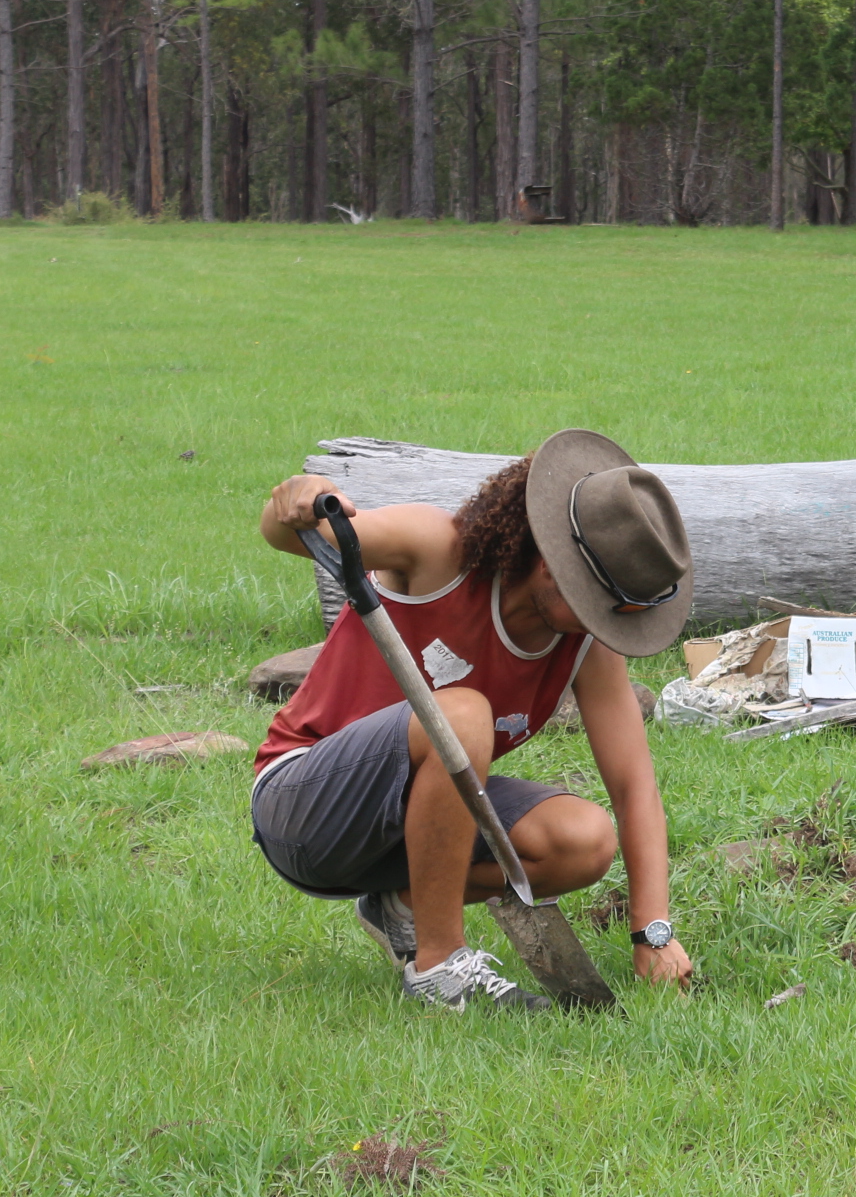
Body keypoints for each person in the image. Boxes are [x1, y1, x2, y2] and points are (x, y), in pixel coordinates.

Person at [251, 429, 695, 1010]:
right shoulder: (437, 551)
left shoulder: (587, 642)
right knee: (462, 715)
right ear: (551, 560)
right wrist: (300, 497)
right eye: (597, 602)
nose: (603, 623)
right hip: (304, 807)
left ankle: (402, 906)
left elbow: (635, 787)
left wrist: (652, 933)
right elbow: (290, 532)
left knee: (581, 841)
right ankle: (438, 967)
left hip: (407, 829)